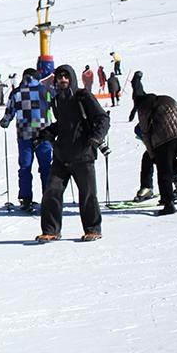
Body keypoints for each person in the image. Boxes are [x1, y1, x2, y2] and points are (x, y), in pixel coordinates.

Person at [36, 65, 110, 242]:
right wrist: (47, 133)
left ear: (72, 78)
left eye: (66, 76)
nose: (63, 79)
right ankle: (51, 231)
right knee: (51, 192)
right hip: (62, 155)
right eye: (59, 77)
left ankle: (92, 229)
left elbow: (102, 118)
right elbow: (63, 124)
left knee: (87, 194)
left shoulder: (82, 96)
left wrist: (96, 137)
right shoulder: (57, 100)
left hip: (83, 154)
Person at [129, 72, 177, 215]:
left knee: (164, 172)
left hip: (164, 139)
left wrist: (153, 155)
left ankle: (168, 204)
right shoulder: (167, 98)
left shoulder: (144, 107)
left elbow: (145, 134)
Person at [0, 68, 53, 213]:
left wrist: (5, 122)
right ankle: (49, 198)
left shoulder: (16, 93)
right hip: (44, 133)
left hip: (24, 134)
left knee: (25, 167)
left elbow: (9, 112)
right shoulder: (46, 91)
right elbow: (56, 106)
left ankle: (25, 199)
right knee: (46, 167)